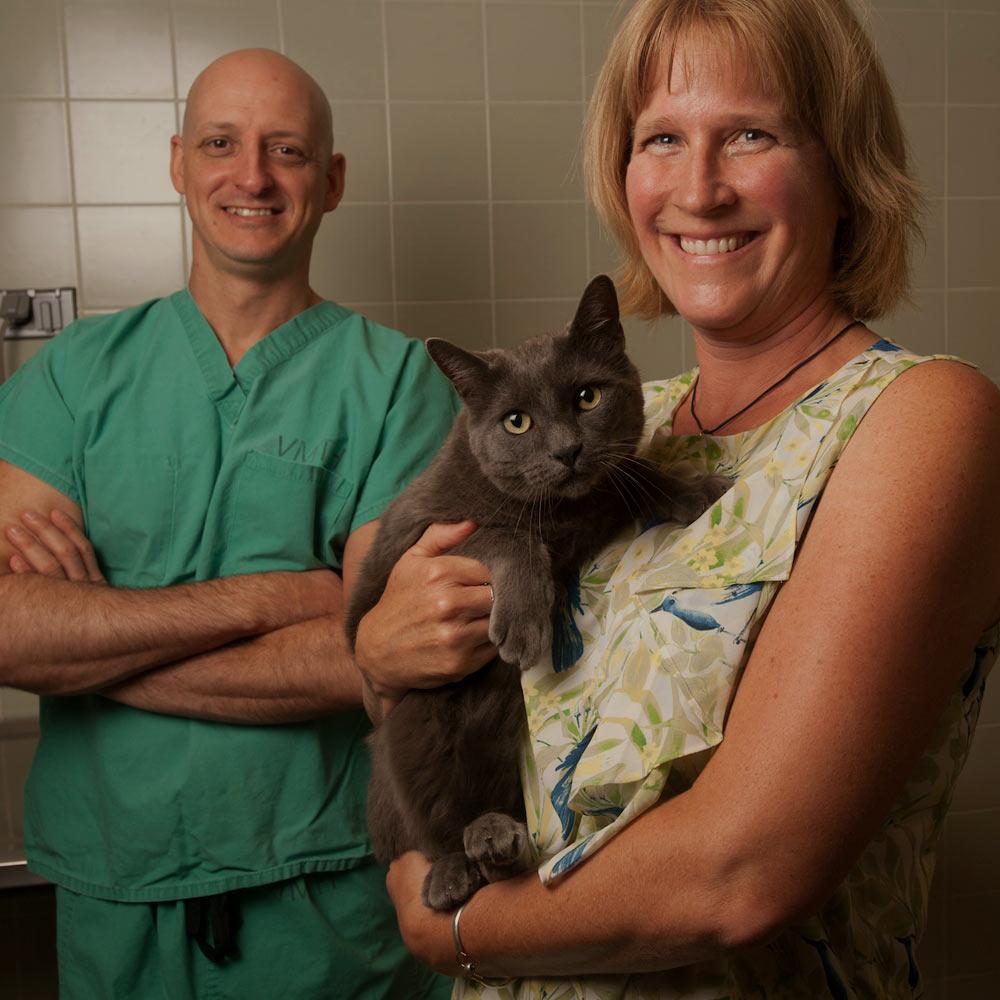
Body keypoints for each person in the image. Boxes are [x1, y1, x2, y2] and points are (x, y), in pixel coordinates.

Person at [367, 1, 1000, 997]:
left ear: (844, 166)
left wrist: (447, 926)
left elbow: (734, 879)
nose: (698, 190)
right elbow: (425, 684)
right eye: (661, 138)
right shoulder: (626, 430)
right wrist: (380, 651)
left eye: (751, 134)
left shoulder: (918, 422)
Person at [0, 48, 496, 999]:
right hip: (115, 893)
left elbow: (388, 657)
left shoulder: (395, 387)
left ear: (333, 180)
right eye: (222, 144)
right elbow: (10, 632)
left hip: (328, 902)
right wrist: (281, 598)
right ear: (178, 162)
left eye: (288, 151)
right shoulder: (76, 374)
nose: (252, 176)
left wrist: (93, 640)